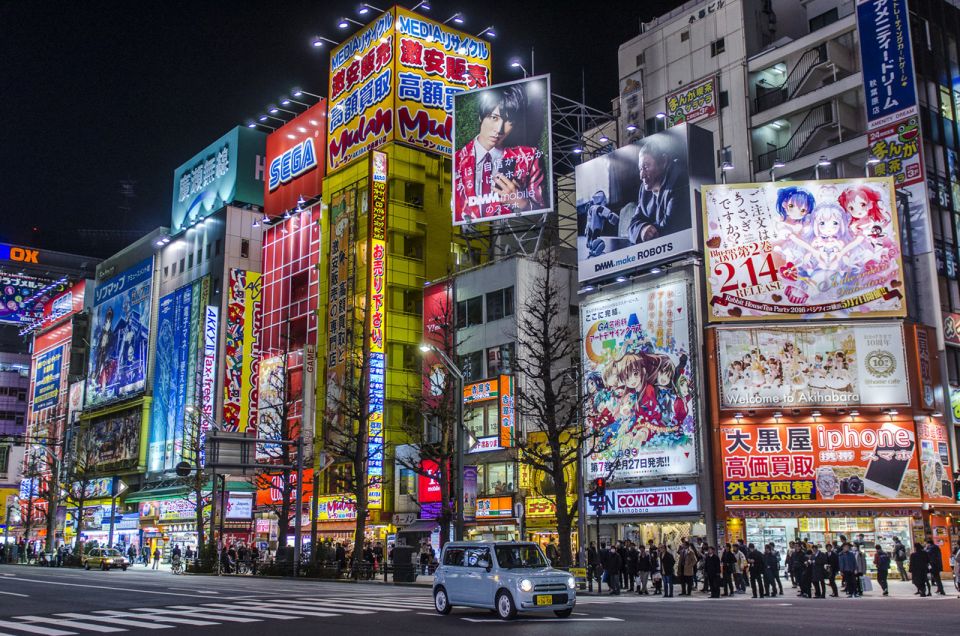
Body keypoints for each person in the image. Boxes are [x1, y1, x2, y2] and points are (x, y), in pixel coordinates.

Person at [453, 84, 546, 223]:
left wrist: (522, 203)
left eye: (509, 121)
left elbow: (542, 215)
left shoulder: (529, 157)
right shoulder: (456, 160)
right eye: (494, 118)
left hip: (511, 238)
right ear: (481, 117)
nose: (499, 129)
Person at [628, 136, 685, 244]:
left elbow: (670, 227)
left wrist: (648, 229)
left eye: (646, 167)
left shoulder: (678, 179)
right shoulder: (644, 189)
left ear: (663, 161)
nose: (642, 175)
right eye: (640, 169)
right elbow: (632, 225)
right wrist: (642, 230)